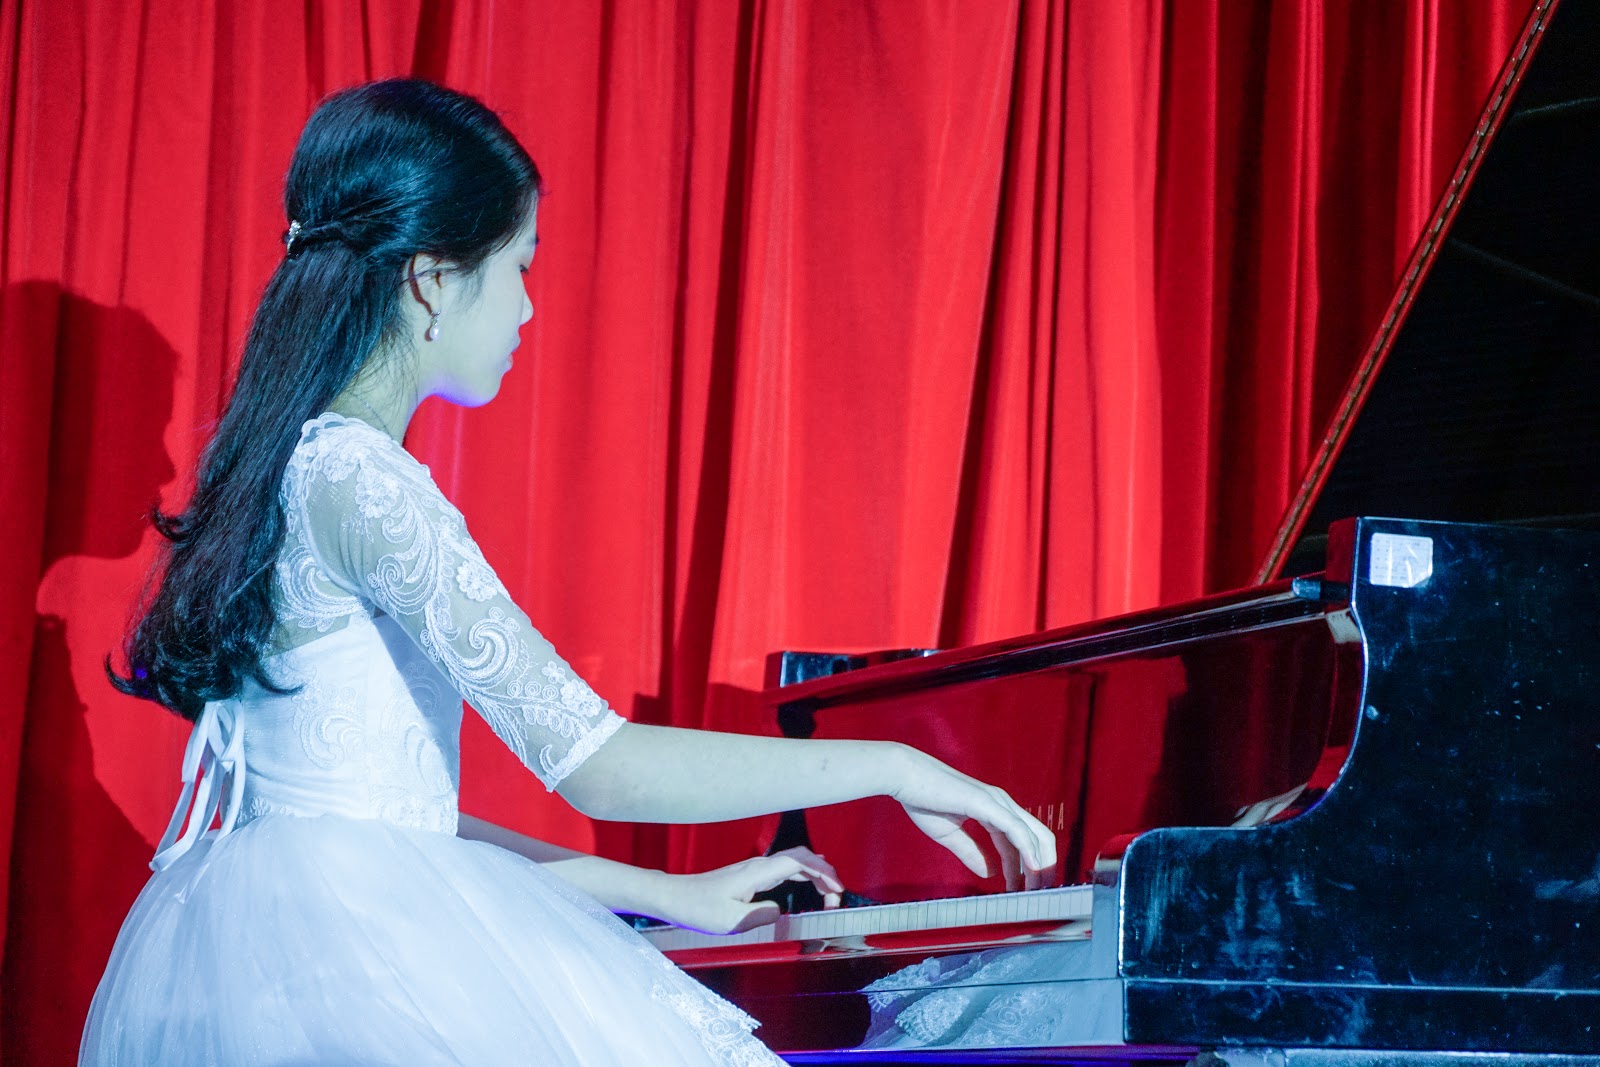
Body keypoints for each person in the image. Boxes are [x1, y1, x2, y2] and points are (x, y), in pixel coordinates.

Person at [84, 78, 1055, 1066]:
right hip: (352, 979)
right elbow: (600, 766)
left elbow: (390, 827)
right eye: (518, 265)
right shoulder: (365, 483)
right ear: (431, 280)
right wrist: (893, 765)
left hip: (271, 962)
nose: (527, 304)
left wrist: (668, 892)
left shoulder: (289, 467)